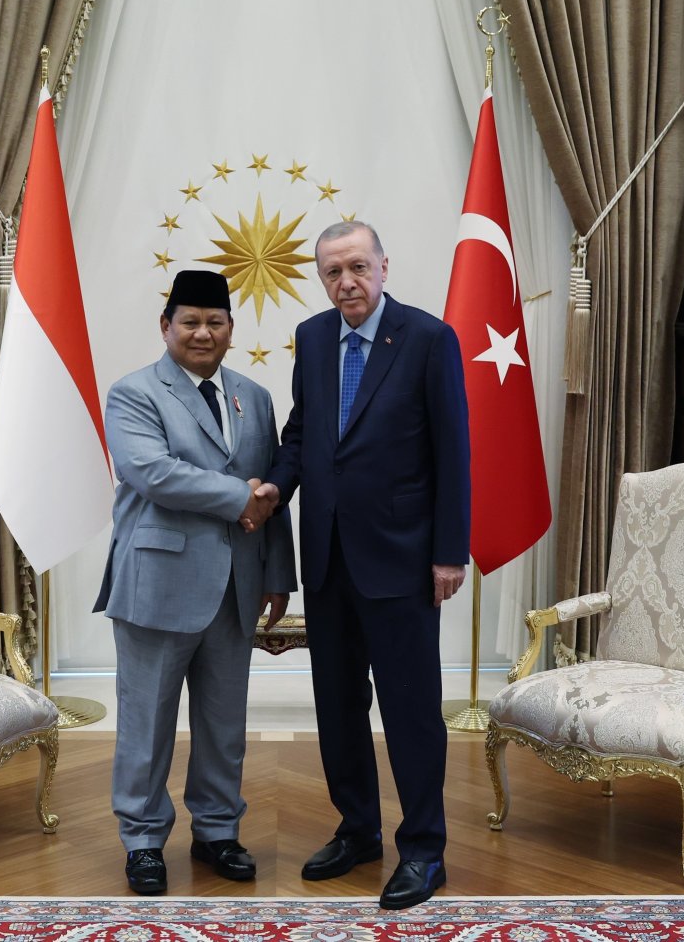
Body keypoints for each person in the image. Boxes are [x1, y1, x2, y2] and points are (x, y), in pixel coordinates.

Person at [259, 220, 470, 909]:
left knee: (411, 709)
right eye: (332, 272)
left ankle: (424, 849)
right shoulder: (313, 338)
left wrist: (448, 550)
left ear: (384, 265)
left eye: (357, 267)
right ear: (321, 279)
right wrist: (273, 488)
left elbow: (453, 451)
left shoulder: (429, 339)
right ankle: (357, 830)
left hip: (404, 559)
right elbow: (303, 433)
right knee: (339, 706)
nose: (346, 282)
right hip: (327, 556)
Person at [96, 269, 295, 895]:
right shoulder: (133, 394)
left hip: (238, 584)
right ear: (166, 327)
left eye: (215, 322)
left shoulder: (255, 398)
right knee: (146, 720)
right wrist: (243, 496)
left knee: (223, 721)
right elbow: (154, 473)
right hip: (158, 581)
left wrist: (278, 572)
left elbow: (275, 494)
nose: (202, 333)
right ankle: (144, 840)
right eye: (190, 322)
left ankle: (215, 832)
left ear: (231, 331)